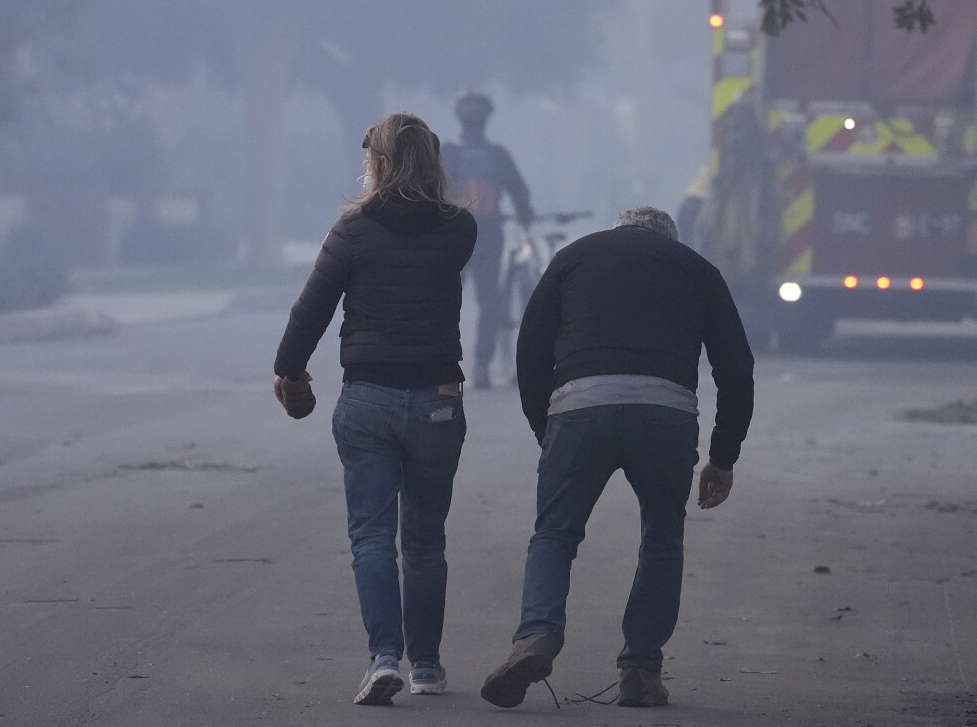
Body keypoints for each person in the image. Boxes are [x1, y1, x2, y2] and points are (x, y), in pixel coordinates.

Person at [480, 206, 755, 709]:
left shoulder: (572, 258)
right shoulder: (696, 269)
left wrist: (548, 428)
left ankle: (535, 636)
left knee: (555, 533)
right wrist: (723, 455)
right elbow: (736, 367)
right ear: (666, 239)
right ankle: (640, 670)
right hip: (666, 413)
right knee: (663, 536)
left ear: (618, 230)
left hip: (581, 405)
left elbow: (530, 348)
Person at [272, 113, 477, 706]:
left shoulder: (353, 232)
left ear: (378, 163)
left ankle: (384, 658)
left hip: (367, 399)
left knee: (371, 537)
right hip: (438, 399)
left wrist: (290, 371)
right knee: (426, 540)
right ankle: (430, 667)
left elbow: (310, 312)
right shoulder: (459, 229)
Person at [444, 91, 535, 388]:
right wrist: (525, 217)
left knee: (443, 301)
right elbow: (520, 193)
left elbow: (429, 194)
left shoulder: (447, 153)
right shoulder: (498, 155)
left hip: (451, 236)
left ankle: (442, 364)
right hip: (487, 236)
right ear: (487, 120)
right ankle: (482, 365)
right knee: (489, 300)